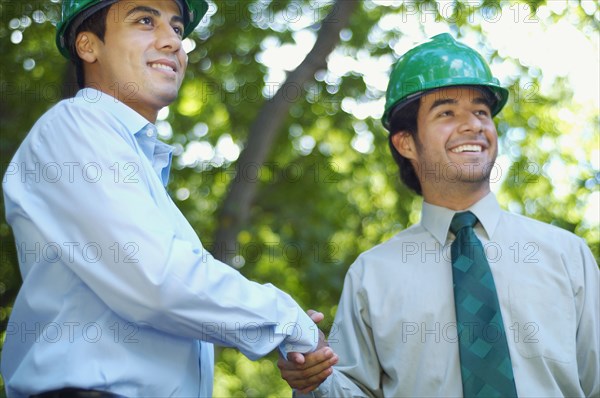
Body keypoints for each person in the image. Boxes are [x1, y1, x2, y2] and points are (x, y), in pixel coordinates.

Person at [1, 1, 334, 396]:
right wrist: (291, 326)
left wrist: (291, 346)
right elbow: (158, 282)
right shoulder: (75, 125)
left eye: (177, 29)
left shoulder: (139, 170)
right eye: (145, 21)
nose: (173, 42)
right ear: (88, 46)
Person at [278, 33, 599, 397]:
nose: (474, 125)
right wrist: (315, 376)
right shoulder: (372, 276)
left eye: (481, 111)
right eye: (447, 113)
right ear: (406, 142)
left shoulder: (567, 256)